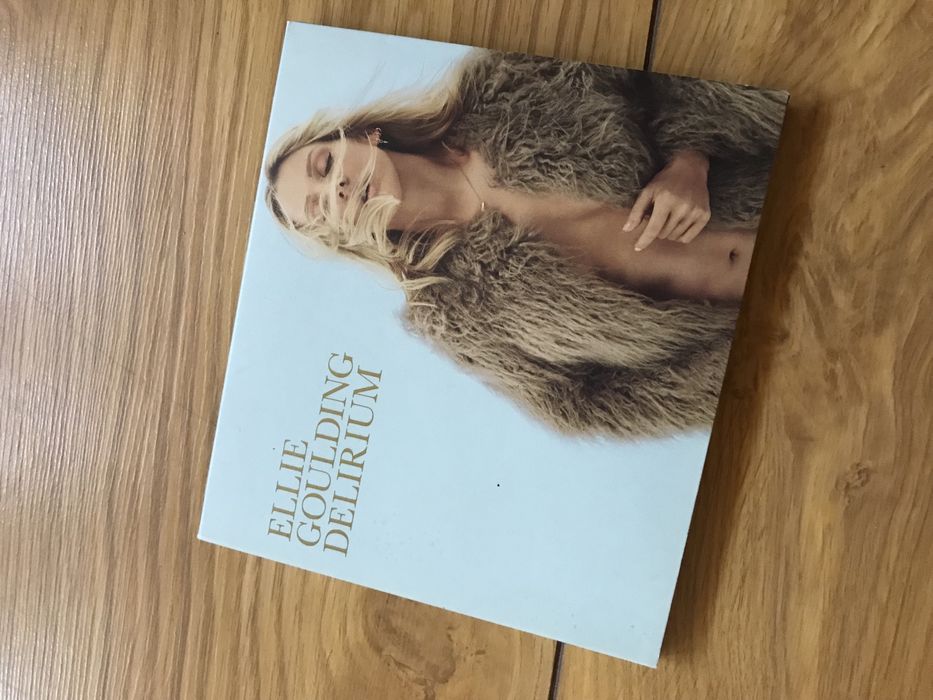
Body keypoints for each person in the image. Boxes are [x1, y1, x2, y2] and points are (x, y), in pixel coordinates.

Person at [263, 48, 787, 440]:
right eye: (319, 207)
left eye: (323, 165)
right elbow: (581, 405)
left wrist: (690, 156)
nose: (334, 189)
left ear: (360, 136)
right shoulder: (452, 311)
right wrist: (744, 367)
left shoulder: (502, 86)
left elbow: (649, 73)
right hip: (772, 322)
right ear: (339, 235)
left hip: (783, 190)